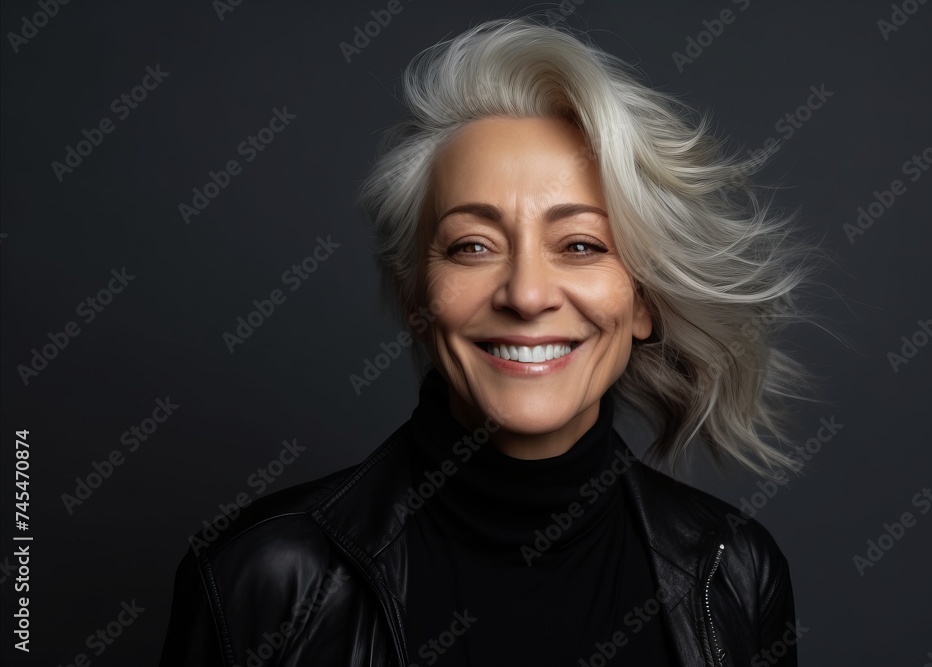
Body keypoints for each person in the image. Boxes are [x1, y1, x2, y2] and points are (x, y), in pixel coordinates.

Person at [160, 16, 815, 666]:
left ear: (643, 300)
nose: (527, 294)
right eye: (474, 246)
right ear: (417, 296)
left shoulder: (735, 571)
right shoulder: (263, 577)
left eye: (581, 245)